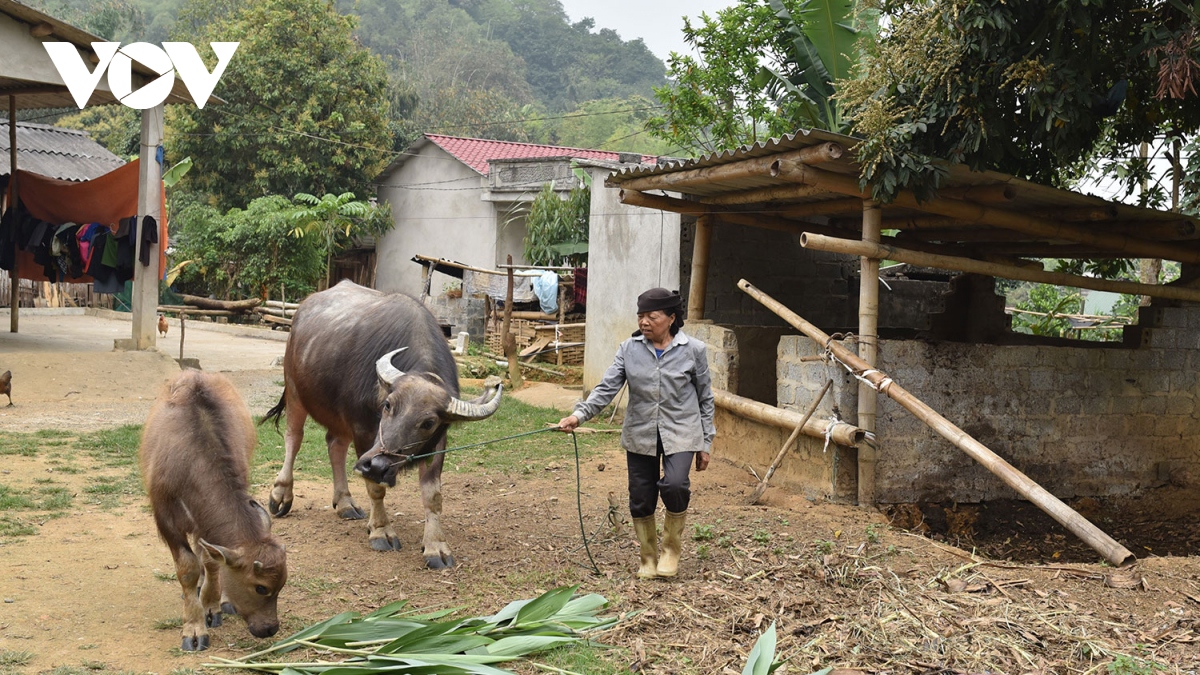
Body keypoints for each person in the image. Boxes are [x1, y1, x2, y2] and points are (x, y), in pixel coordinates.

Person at [558, 288, 715, 579]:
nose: (644, 322)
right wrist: (578, 416)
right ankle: (648, 558)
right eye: (640, 316)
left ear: (670, 318)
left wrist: (706, 443)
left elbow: (706, 398)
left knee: (676, 485)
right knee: (641, 497)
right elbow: (606, 389)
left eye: (651, 316)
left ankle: (670, 551)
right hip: (640, 430)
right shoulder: (628, 349)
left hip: (682, 430)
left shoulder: (694, 350)